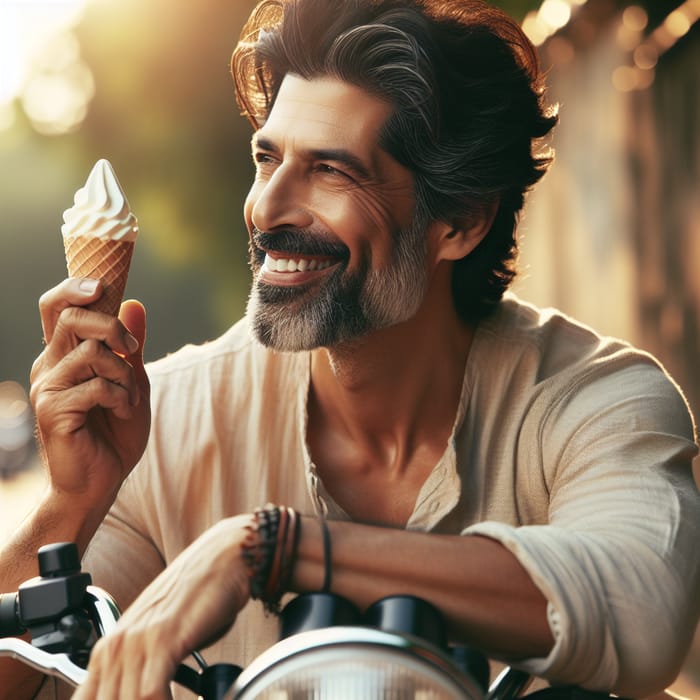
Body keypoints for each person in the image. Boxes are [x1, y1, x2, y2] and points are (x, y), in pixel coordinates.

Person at [1, 0, 699, 698]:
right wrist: (72, 500)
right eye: (266, 158)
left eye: (331, 171)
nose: (267, 209)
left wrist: (271, 550)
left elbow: (642, 618)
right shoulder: (164, 426)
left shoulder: (600, 401)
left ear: (459, 222)